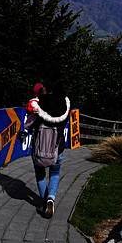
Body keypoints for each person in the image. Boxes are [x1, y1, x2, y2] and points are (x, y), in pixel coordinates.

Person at [26, 87, 70, 218]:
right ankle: (51, 199)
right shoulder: (64, 106)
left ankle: (45, 203)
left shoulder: (39, 106)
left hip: (39, 150)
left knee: (40, 174)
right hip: (58, 149)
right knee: (55, 173)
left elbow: (28, 125)